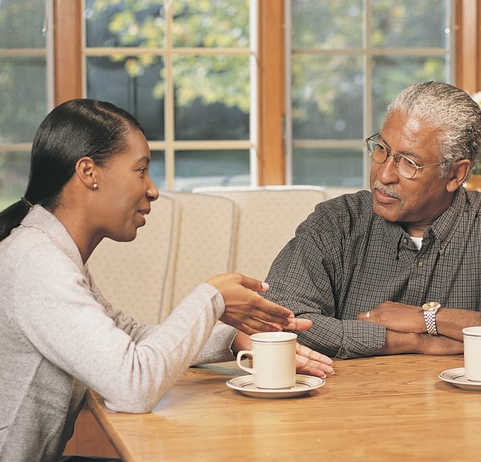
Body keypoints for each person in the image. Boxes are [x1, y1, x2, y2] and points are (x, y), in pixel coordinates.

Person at [0, 99, 334, 462]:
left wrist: (235, 339)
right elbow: (133, 386)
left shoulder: (51, 251)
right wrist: (211, 299)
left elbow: (128, 337)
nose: (152, 190)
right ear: (88, 172)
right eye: (140, 170)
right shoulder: (36, 261)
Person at [262, 81, 481, 359]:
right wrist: (406, 341)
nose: (384, 175)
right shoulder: (336, 223)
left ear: (455, 175)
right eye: (382, 149)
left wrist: (428, 319)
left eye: (408, 163)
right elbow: (275, 321)